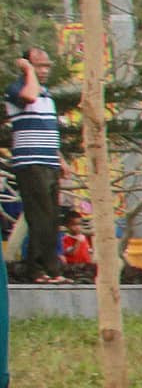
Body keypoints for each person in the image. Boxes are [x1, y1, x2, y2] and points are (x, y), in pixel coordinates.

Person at [7, 46, 63, 283]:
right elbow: (29, 97)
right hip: (31, 162)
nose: (44, 71)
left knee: (51, 218)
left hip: (48, 160)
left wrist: (60, 159)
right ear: (26, 65)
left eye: (47, 66)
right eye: (39, 65)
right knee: (39, 217)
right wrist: (28, 71)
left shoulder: (47, 95)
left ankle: (47, 268)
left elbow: (47, 128)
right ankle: (40, 269)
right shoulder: (18, 88)